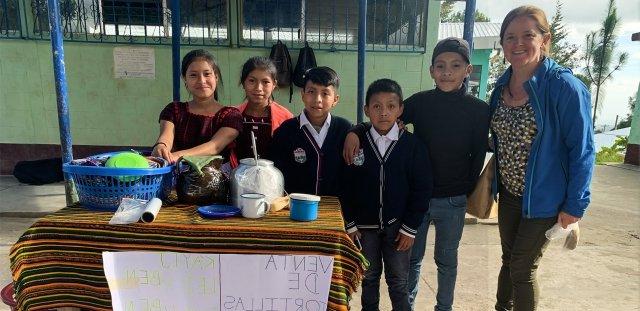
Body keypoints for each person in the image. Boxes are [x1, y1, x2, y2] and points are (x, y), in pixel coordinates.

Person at [343, 37, 489, 311]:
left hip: (452, 199)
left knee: (447, 260)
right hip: (414, 202)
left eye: (455, 65)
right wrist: (355, 130)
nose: (447, 72)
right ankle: (406, 305)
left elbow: (479, 153)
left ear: (468, 70)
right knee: (410, 262)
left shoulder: (479, 109)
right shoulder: (419, 103)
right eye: (440, 66)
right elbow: (382, 114)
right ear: (431, 70)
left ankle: (443, 307)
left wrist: (466, 188)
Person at [491, 6, 594, 311]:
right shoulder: (500, 86)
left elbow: (583, 149)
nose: (518, 43)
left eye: (528, 35)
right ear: (503, 44)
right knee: (509, 262)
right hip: (510, 195)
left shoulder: (564, 87)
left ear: (545, 39)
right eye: (510, 37)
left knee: (522, 269)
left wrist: (575, 204)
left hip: (546, 199)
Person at [340, 79, 433, 311]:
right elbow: (345, 186)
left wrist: (410, 228)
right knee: (369, 279)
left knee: (399, 283)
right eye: (377, 106)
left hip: (398, 227)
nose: (384, 113)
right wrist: (350, 224)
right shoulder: (356, 143)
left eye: (391, 106)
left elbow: (422, 189)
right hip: (364, 229)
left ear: (400, 109)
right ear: (366, 110)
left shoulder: (412, 146)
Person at [152, 49, 243, 167]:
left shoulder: (231, 115)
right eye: (193, 75)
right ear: (185, 79)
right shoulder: (173, 110)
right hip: (177, 178)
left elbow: (214, 146)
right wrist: (161, 146)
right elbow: (166, 137)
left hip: (217, 181)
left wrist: (176, 156)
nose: (201, 80)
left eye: (207, 74)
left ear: (216, 77)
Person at [270, 66, 351, 196]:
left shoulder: (345, 130)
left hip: (334, 209)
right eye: (311, 92)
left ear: (335, 100)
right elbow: (276, 175)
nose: (317, 99)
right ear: (303, 95)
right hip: (296, 208)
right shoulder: (286, 131)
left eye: (325, 93)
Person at [235, 56, 294, 160]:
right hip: (238, 175)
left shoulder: (285, 117)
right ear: (243, 83)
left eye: (265, 82)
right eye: (252, 81)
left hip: (274, 175)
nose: (258, 88)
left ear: (274, 84)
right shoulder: (233, 115)